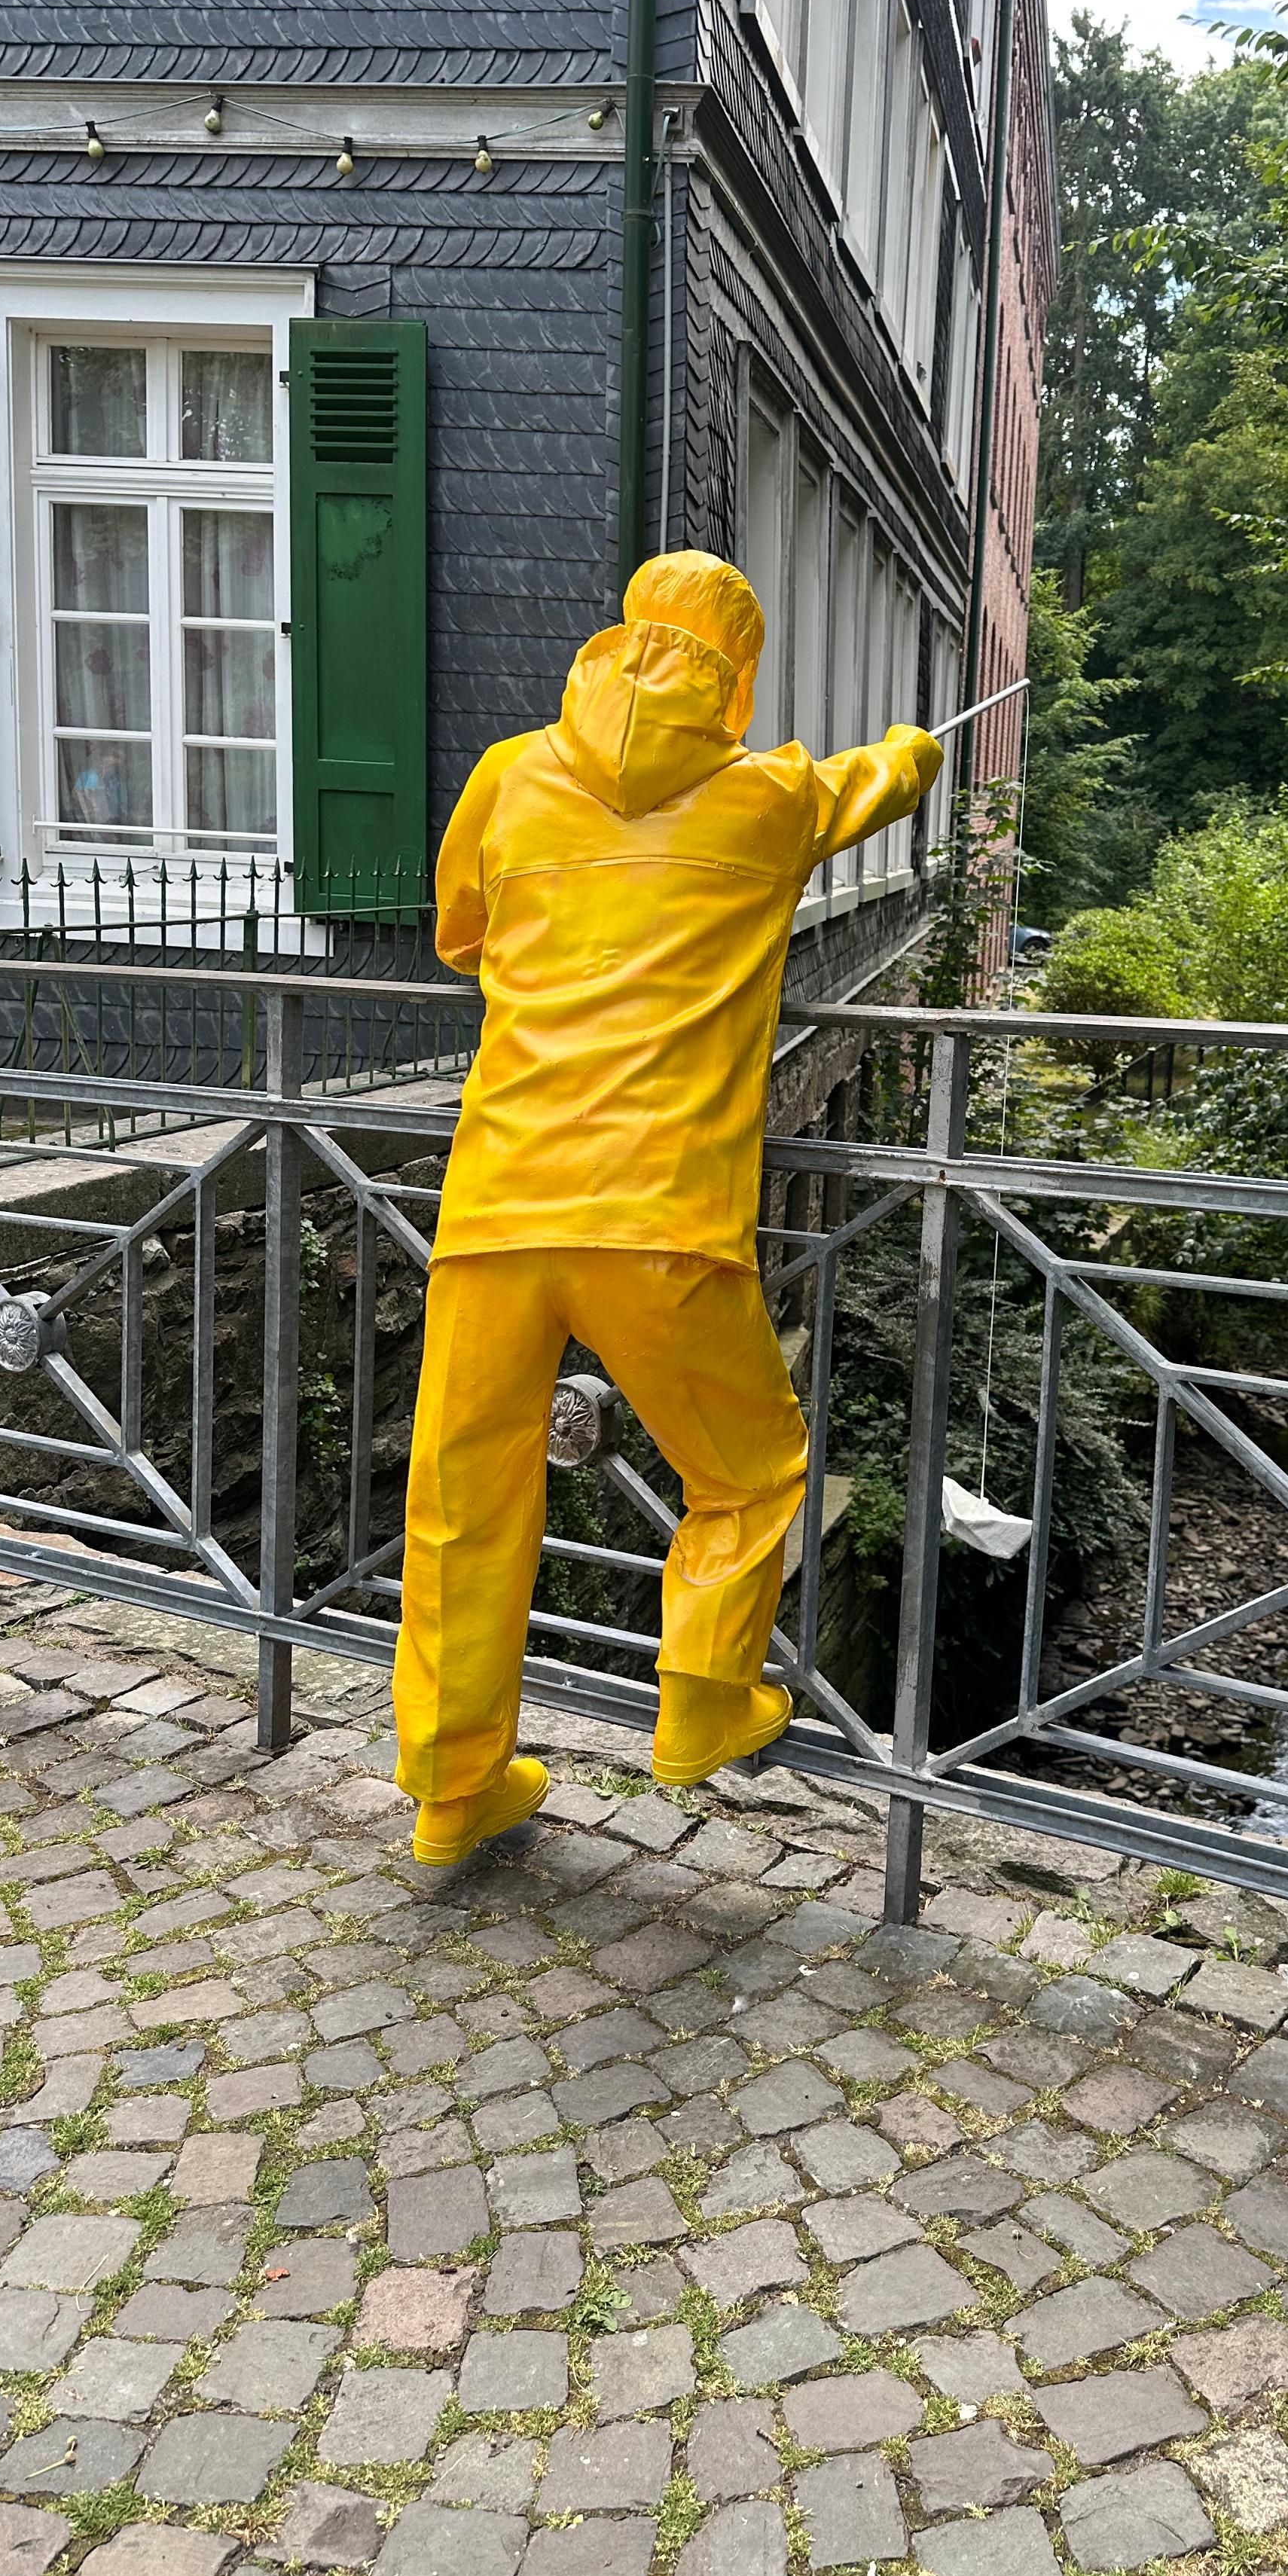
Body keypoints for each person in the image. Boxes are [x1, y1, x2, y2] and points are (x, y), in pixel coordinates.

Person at [393, 549, 943, 1864]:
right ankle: (700, 1700)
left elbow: (458, 934)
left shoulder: (511, 773)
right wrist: (920, 748)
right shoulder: (771, 801)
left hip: (498, 1208)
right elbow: (881, 778)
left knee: (463, 1506)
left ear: (617, 638)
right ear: (738, 676)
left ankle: (452, 1792)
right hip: (662, 1219)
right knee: (753, 1475)